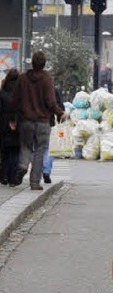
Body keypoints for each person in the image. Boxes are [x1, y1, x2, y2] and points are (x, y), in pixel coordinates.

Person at [12, 51, 66, 191]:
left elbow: (15, 100)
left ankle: (23, 166)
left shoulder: (22, 79)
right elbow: (51, 101)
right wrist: (60, 113)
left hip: (26, 121)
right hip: (42, 121)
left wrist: (13, 118)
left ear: (32, 62)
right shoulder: (46, 79)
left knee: (26, 146)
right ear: (44, 64)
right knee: (40, 151)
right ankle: (35, 182)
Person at [0, 69, 20, 186]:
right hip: (17, 124)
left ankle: (4, 176)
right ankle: (13, 177)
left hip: (3, 124)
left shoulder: (2, 92)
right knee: (16, 152)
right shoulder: (20, 93)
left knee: (5, 151)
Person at [41, 86, 65, 184]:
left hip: (32, 122)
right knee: (49, 148)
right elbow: (60, 107)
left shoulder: (32, 88)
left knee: (34, 148)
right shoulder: (53, 90)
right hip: (48, 122)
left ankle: (37, 170)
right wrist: (60, 117)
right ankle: (46, 170)